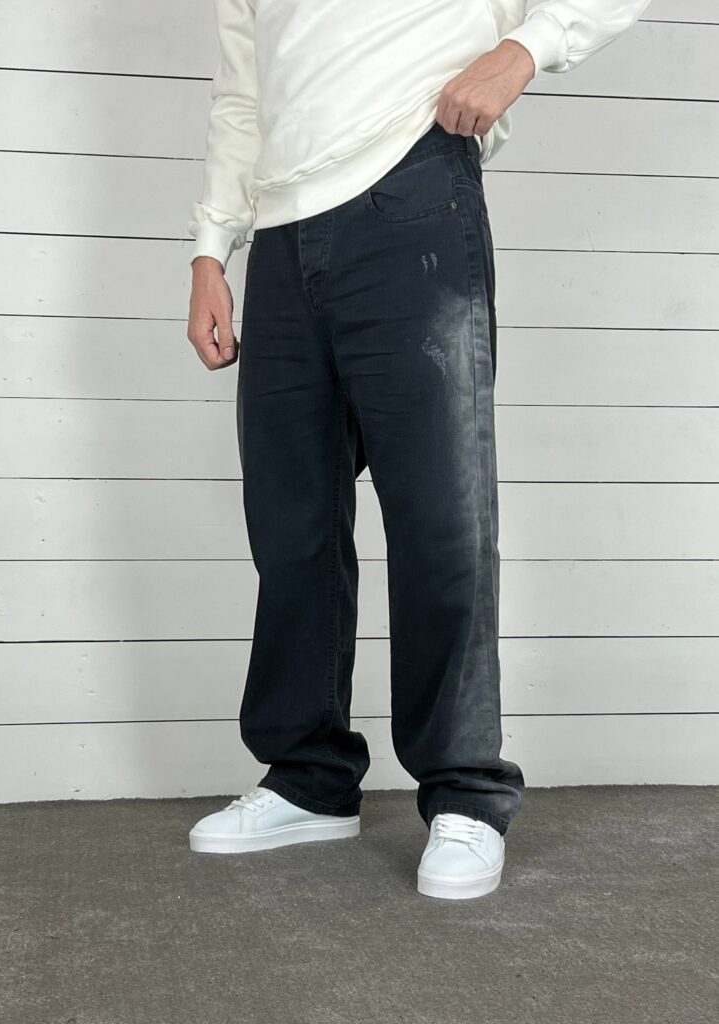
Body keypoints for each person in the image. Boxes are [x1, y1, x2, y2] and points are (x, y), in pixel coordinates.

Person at [185, 0, 650, 900]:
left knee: (440, 515)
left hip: (411, 188)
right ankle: (308, 778)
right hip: (278, 232)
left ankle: (465, 792)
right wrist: (212, 247)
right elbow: (242, 90)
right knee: (291, 522)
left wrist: (523, 48)